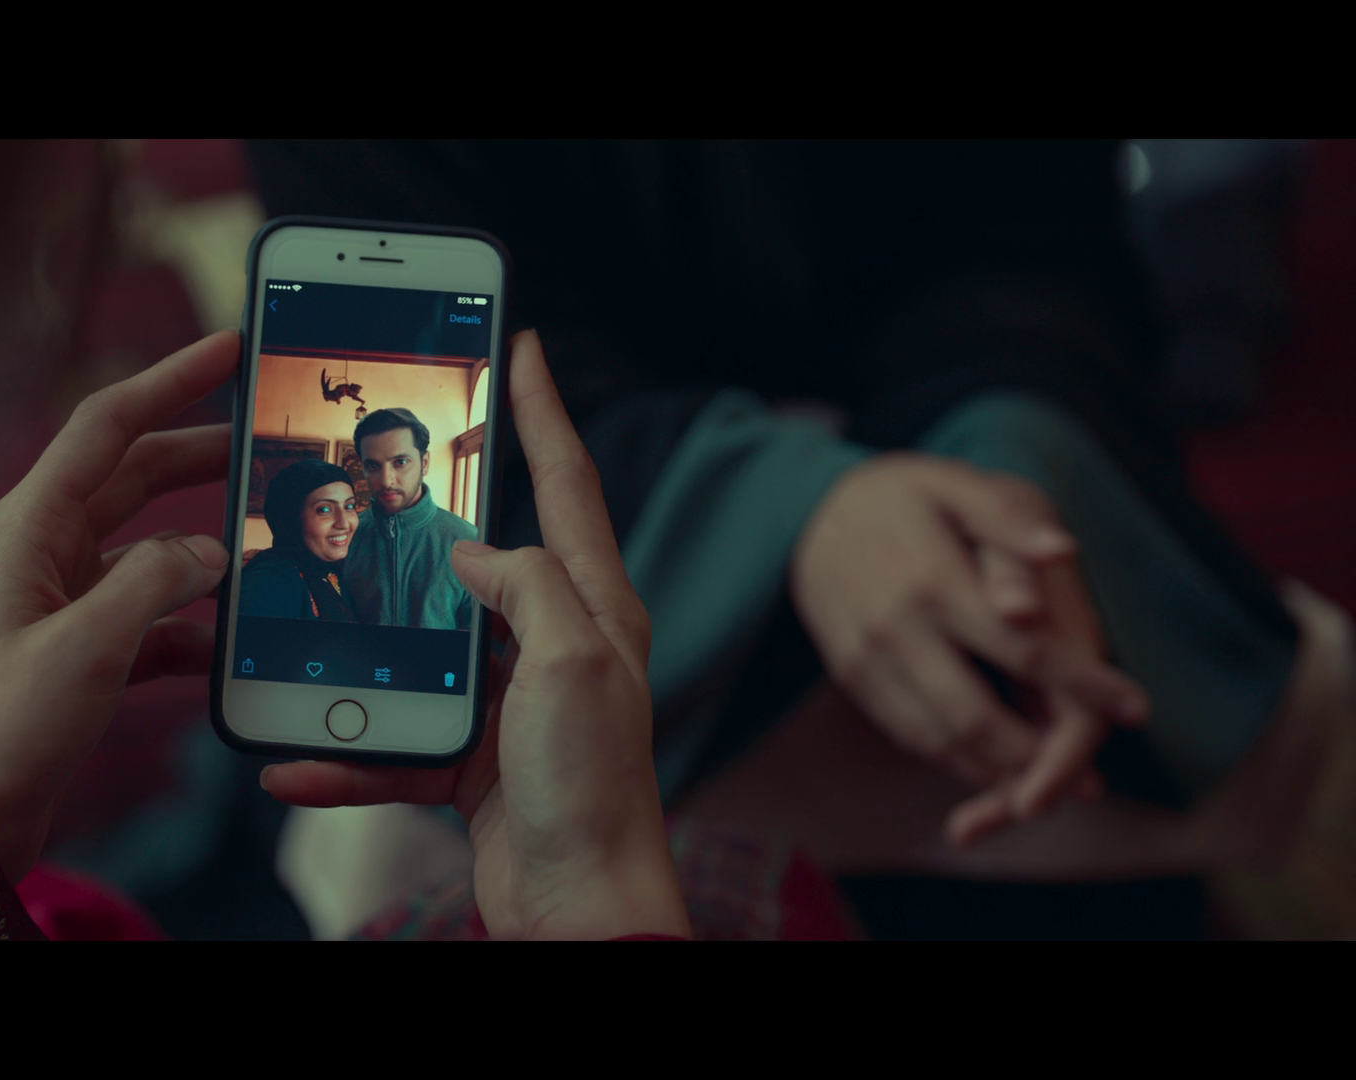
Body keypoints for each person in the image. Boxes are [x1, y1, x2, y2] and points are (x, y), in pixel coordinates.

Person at [244, 140, 1356, 926]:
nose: (382, 486)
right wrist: (792, 510)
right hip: (626, 529)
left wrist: (1003, 482)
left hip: (954, 473)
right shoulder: (376, 527)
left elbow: (1029, 244)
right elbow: (433, 320)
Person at [0, 330, 715, 941]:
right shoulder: (313, 558)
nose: (384, 486)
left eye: (405, 465)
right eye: (368, 473)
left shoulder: (442, 541)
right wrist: (596, 892)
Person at [344, 407, 477, 630]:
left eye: (400, 462)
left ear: (425, 463)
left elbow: (479, 642)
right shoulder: (347, 538)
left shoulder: (468, 542)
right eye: (373, 466)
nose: (386, 480)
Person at [238, 459, 359, 621]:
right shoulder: (270, 582)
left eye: (349, 506)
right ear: (291, 518)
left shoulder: (329, 572)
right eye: (324, 509)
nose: (344, 523)